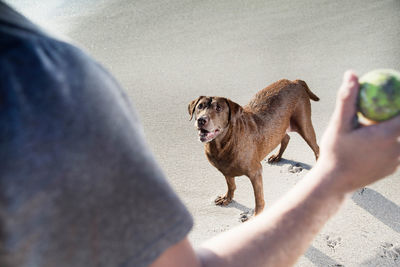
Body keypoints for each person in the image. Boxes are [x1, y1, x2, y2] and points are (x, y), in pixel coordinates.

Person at [1, 2, 399, 267]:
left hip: (284, 110)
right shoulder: (36, 62)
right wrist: (339, 176)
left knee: (289, 146)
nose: (204, 118)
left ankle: (307, 157)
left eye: (214, 111)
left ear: (229, 114)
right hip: (244, 142)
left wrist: (327, 168)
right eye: (200, 112)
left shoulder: (34, 75)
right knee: (229, 165)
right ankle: (247, 181)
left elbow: (252, 172)